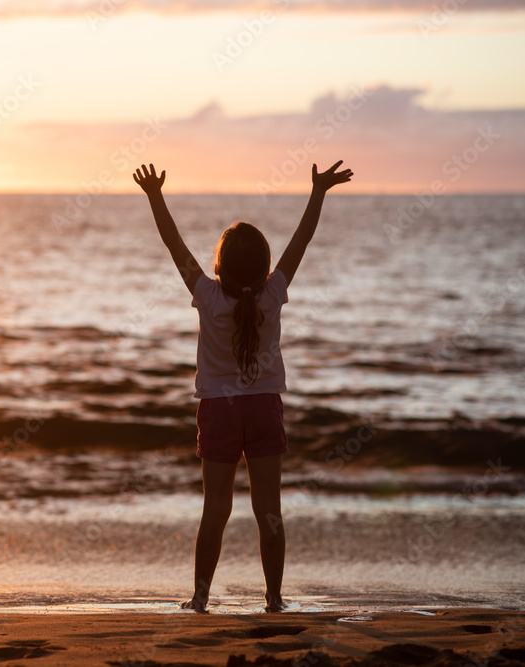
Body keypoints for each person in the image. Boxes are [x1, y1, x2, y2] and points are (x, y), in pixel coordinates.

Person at [133, 160, 353, 613]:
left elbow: (174, 245)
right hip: (264, 409)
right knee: (268, 511)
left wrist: (155, 195)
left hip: (218, 411)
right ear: (265, 268)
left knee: (215, 510)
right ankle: (274, 599)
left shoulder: (207, 296)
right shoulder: (273, 296)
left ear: (219, 265)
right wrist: (318, 193)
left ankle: (199, 598)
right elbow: (302, 241)